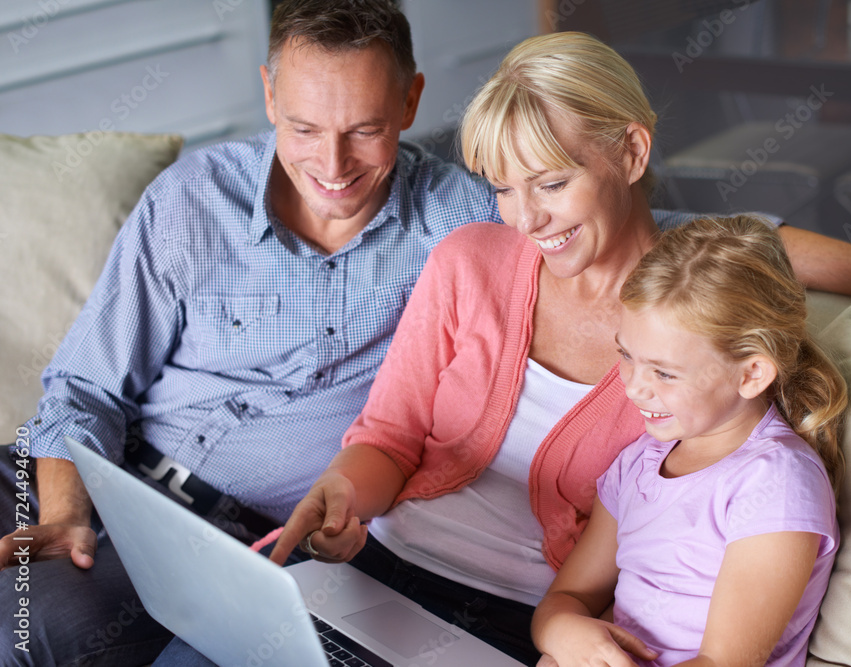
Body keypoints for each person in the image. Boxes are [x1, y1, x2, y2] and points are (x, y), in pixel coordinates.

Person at [261, 30, 851, 666]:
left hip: (513, 619)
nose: (527, 218)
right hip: (378, 570)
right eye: (502, 188)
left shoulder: (682, 321)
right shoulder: (467, 259)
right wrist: (343, 493)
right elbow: (388, 437)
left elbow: (762, 244)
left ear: (633, 151)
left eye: (551, 181)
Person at [0, 1, 500, 664]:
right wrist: (64, 513)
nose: (333, 163)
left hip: (220, 538)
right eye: (303, 127)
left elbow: (617, 245)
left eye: (364, 129)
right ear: (268, 93)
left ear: (411, 101)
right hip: (80, 469)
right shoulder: (192, 200)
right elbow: (85, 385)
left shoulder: (468, 223)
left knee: (25, 630)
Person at [531, 215, 845, 667]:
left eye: (663, 372)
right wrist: (562, 629)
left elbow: (724, 662)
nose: (634, 387)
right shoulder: (638, 463)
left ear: (751, 373)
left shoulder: (775, 483)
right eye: (626, 355)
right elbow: (568, 596)